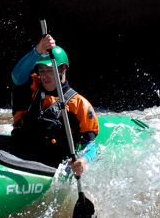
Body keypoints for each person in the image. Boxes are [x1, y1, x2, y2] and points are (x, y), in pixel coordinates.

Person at [10, 34, 98, 175]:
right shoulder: (32, 88)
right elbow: (16, 76)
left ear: (63, 69)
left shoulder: (80, 104)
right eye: (41, 70)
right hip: (20, 157)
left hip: (51, 165)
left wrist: (84, 160)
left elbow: (91, 145)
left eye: (50, 70)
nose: (44, 76)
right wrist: (38, 50)